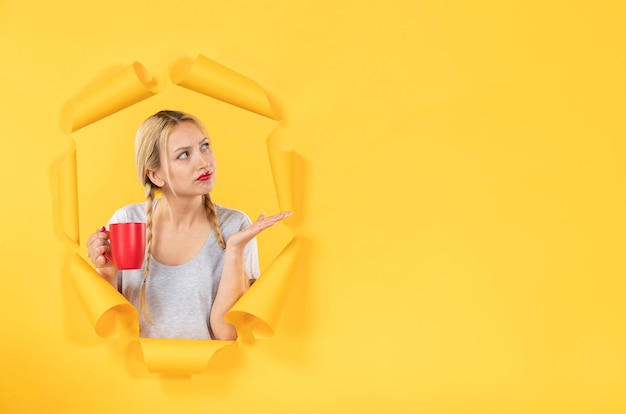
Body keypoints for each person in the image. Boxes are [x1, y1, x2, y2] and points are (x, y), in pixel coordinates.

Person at [85, 110, 291, 340]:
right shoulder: (127, 222)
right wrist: (106, 271)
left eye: (205, 146)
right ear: (156, 175)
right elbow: (110, 329)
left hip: (211, 372)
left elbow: (229, 333)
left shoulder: (235, 226)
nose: (204, 162)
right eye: (184, 155)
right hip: (136, 372)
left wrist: (235, 250)